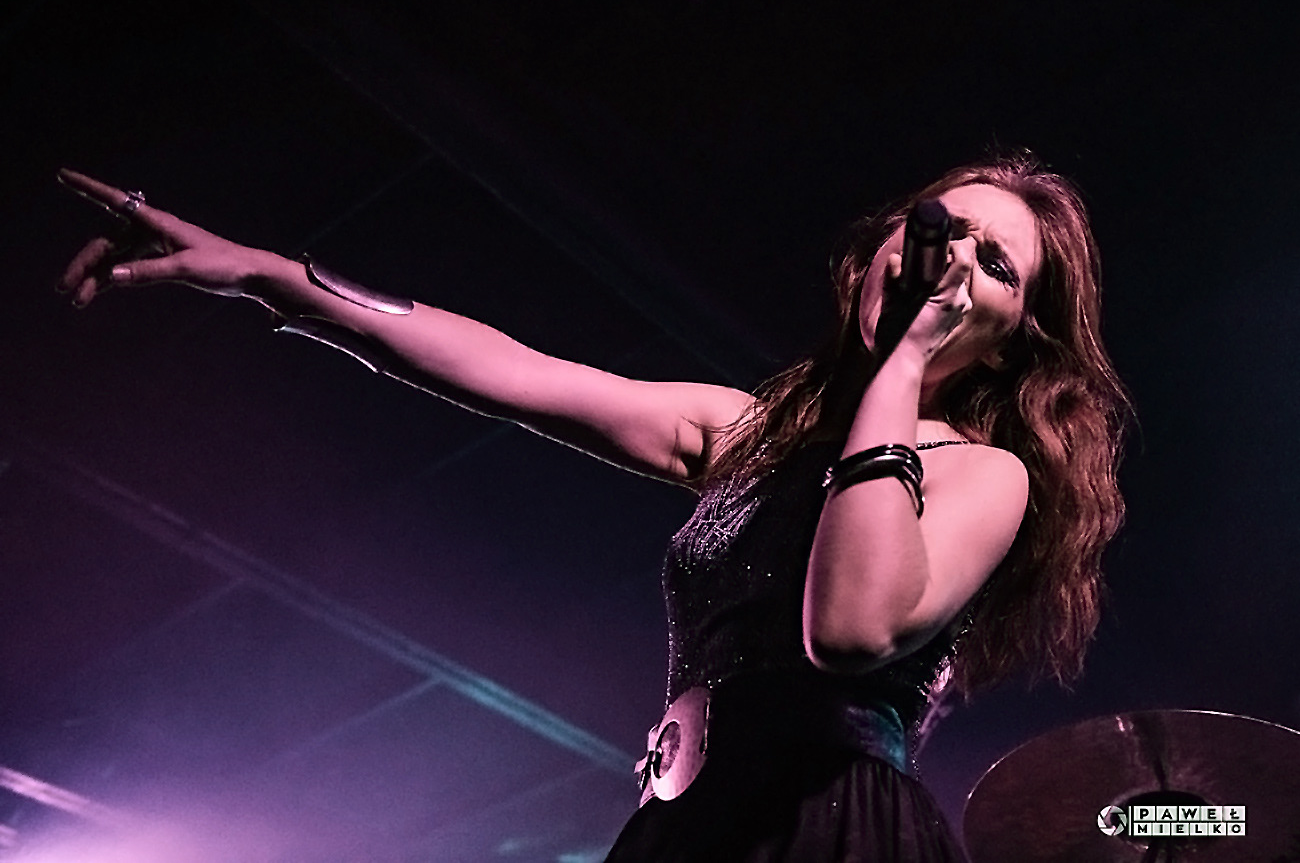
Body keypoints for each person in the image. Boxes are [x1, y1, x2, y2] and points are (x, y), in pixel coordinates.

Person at [56, 153, 1128, 861]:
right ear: (889, 244)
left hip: (830, 832)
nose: (955, 261)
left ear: (1015, 340)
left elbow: (848, 630)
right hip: (688, 827)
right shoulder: (751, 432)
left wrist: (902, 365)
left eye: (996, 264)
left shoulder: (987, 474)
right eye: (944, 230)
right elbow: (513, 371)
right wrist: (259, 274)